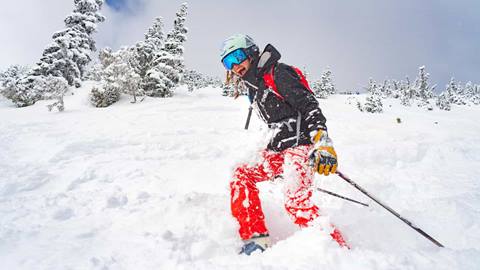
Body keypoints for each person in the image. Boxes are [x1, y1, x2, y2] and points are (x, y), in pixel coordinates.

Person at [220, 34, 348, 255]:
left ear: (251, 52)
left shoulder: (277, 73)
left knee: (296, 203)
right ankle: (256, 239)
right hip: (280, 150)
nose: (235, 66)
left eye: (237, 57)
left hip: (301, 146)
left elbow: (310, 107)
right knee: (242, 174)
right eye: (228, 63)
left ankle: (338, 252)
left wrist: (323, 143)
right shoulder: (254, 87)